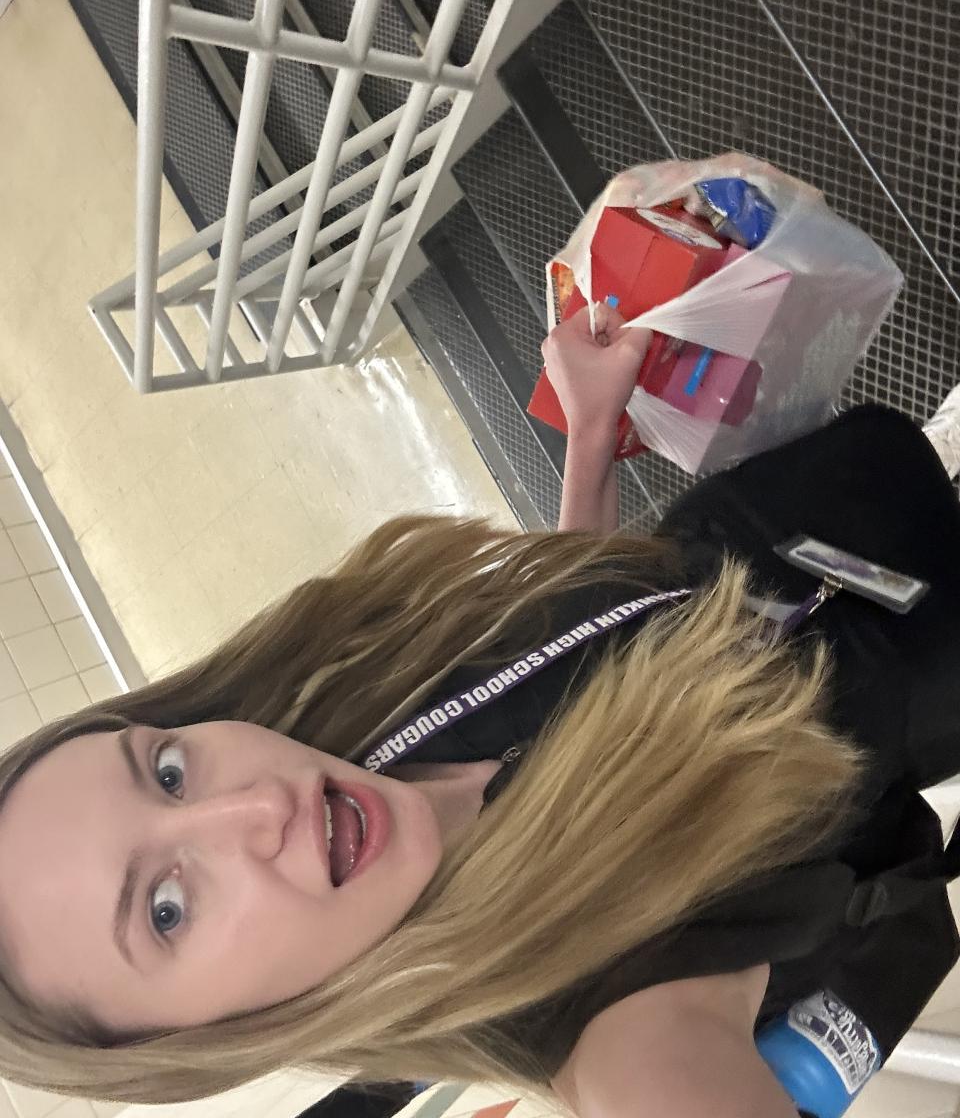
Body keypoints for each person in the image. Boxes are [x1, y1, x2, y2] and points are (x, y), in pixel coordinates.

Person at [0, 304, 959, 1118]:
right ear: (197, 1040)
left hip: (844, 499)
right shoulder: (592, 1013)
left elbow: (572, 671)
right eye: (167, 909)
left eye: (168, 772)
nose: (255, 806)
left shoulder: (356, 720)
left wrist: (590, 434)